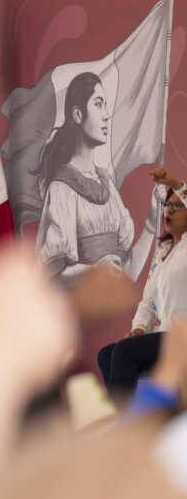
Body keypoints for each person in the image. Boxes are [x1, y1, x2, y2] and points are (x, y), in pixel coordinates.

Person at [35, 71, 162, 284]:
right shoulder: (61, 189)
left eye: (105, 105)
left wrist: (151, 221)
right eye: (98, 104)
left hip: (113, 305)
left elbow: (126, 276)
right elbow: (49, 278)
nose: (106, 115)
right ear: (78, 115)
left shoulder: (107, 184)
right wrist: (92, 271)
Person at [97, 168, 187, 397]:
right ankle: (129, 413)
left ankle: (124, 419)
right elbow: (147, 300)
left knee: (125, 352)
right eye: (167, 205)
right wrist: (138, 329)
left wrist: (173, 182)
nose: (169, 210)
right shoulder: (162, 251)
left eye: (178, 206)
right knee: (107, 354)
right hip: (164, 334)